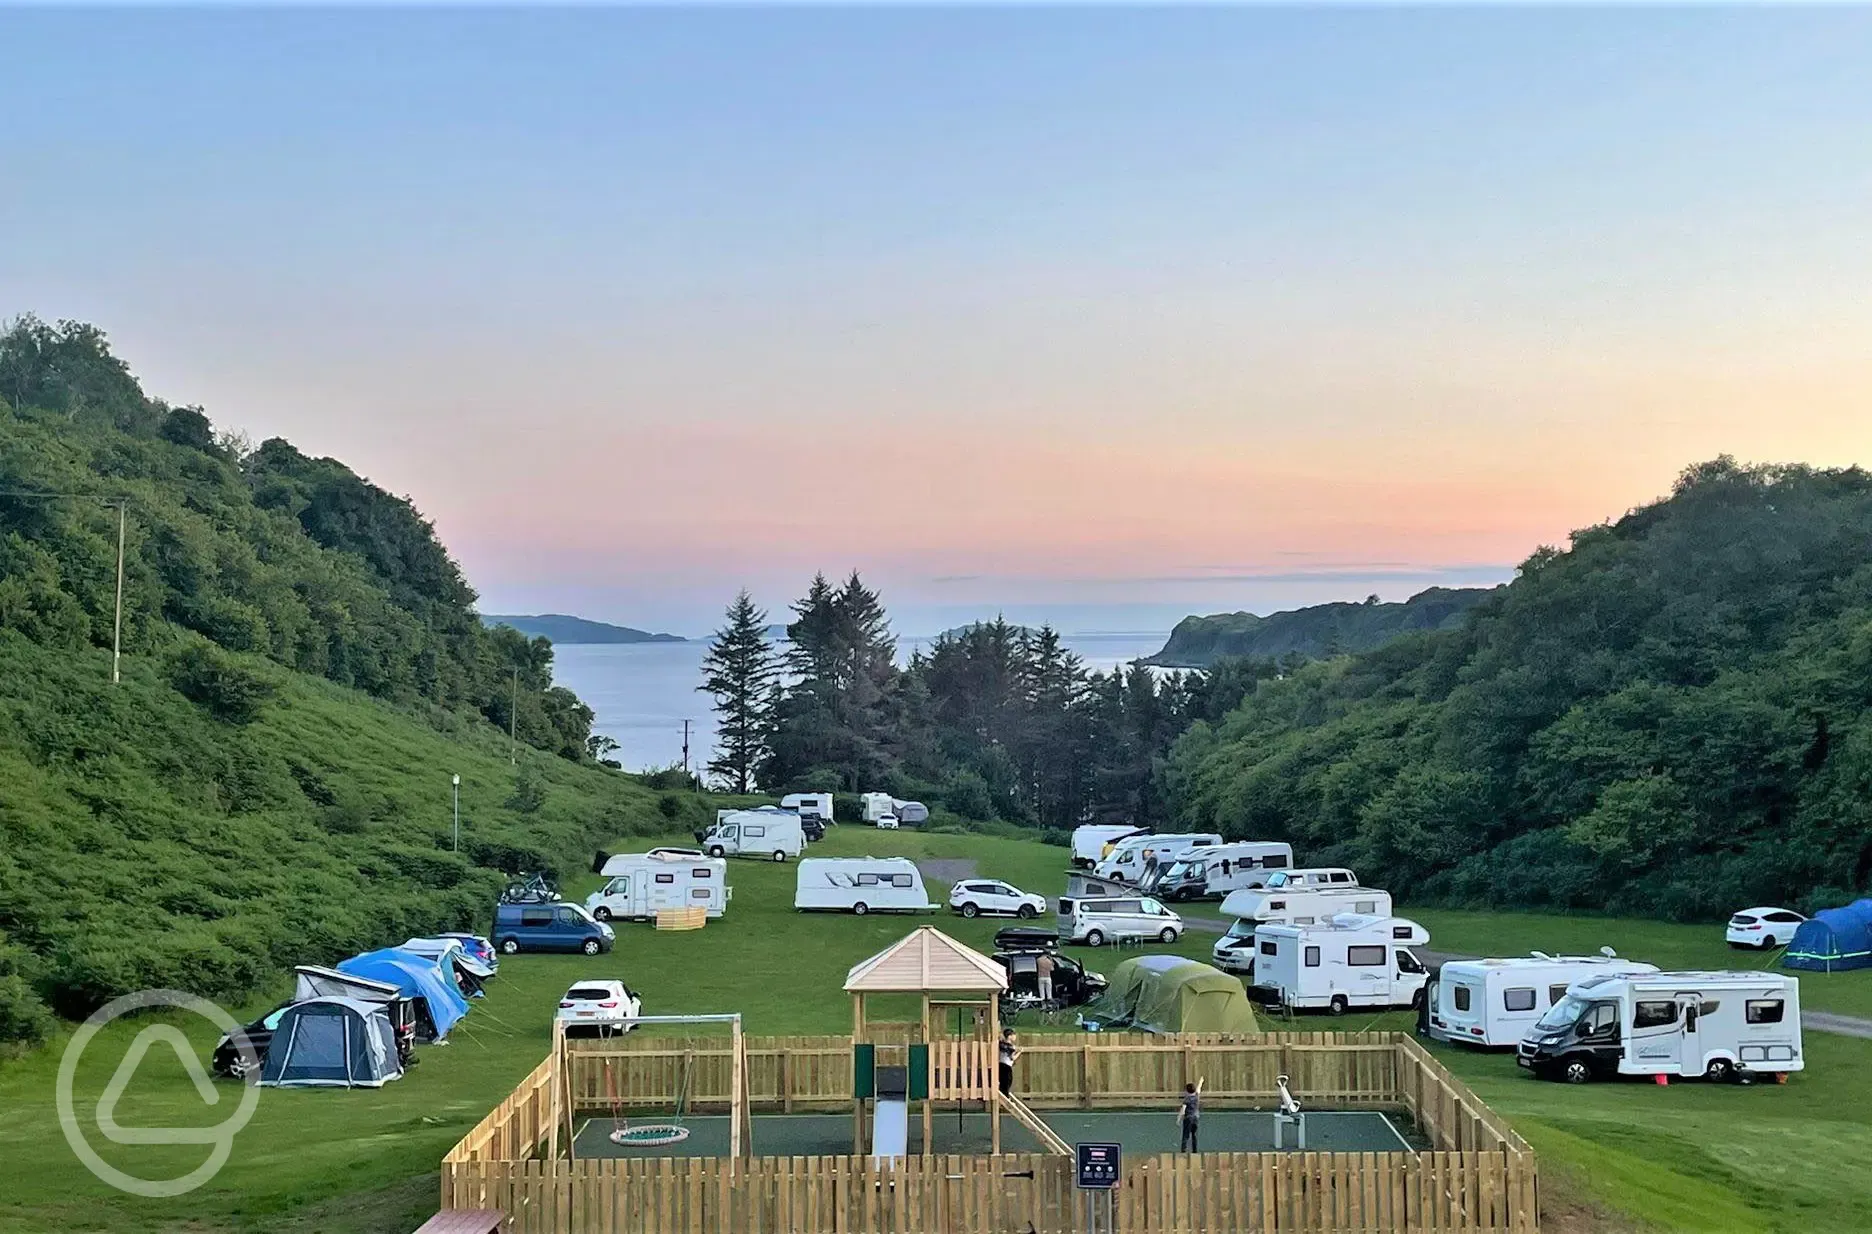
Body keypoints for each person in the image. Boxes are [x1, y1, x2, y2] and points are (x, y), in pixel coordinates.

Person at [1178, 1081, 1201, 1152]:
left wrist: (1179, 1118)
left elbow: (1183, 1110)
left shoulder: (1186, 1100)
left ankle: (1183, 1150)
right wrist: (1201, 1082)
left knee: (1186, 1134)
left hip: (1188, 1118)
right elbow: (1199, 1089)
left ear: (1187, 1091)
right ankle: (1195, 1150)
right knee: (1194, 1135)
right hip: (1195, 1118)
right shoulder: (1196, 1097)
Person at [998, 1028, 1017, 1096]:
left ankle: (1004, 1095)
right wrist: (1020, 1052)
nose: (1015, 1037)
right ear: (1009, 1036)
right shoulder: (1011, 1047)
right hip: (1007, 1066)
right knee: (1008, 1082)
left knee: (1002, 1082)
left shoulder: (1001, 1044)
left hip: (1000, 1064)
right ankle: (1006, 1096)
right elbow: (1012, 1058)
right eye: (1014, 1035)